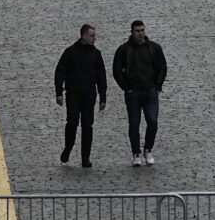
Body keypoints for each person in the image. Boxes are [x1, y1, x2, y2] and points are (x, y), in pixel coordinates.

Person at [112, 19, 169, 166]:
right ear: (132, 32)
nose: (140, 34)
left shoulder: (154, 48)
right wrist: (127, 87)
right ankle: (136, 153)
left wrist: (157, 85)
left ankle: (148, 149)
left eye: (142, 30)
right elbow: (117, 70)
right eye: (137, 31)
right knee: (134, 124)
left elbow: (162, 67)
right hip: (134, 92)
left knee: (152, 121)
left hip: (150, 91)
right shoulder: (124, 50)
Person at [54, 23, 107, 167]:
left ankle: (85, 157)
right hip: (73, 94)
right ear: (83, 35)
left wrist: (103, 97)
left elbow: (101, 76)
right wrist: (59, 92)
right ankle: (68, 147)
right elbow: (60, 72)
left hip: (89, 95)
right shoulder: (70, 52)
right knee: (72, 122)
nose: (94, 38)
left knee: (87, 125)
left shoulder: (96, 54)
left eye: (94, 35)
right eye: (92, 35)